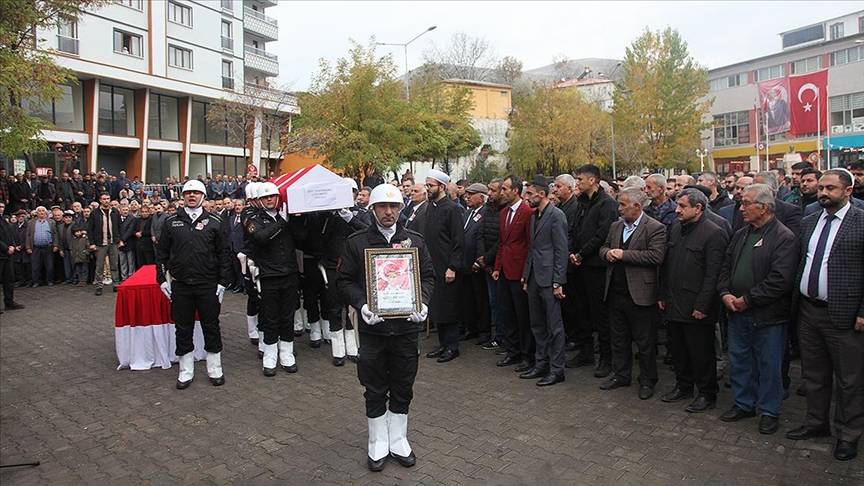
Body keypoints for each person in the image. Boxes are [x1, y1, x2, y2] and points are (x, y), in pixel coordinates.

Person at [337, 183, 435, 472]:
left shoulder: (414, 241)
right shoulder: (356, 242)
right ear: (373, 209)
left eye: (394, 206)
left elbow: (428, 276)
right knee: (374, 385)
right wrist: (362, 305)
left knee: (404, 384)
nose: (389, 211)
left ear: (401, 209)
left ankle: (399, 439)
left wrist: (423, 304)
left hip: (405, 330)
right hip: (373, 330)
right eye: (382, 206)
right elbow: (345, 281)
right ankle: (378, 441)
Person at [786, 170, 864, 462]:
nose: (822, 193)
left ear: (848, 192)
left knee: (849, 379)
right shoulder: (808, 222)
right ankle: (816, 423)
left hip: (844, 314)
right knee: (814, 374)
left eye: (830, 188)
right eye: (820, 188)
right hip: (809, 311)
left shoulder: (860, 223)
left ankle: (848, 433)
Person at [717, 184, 798, 435]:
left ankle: (769, 411)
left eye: (746, 204)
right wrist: (725, 293)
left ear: (763, 207)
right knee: (740, 359)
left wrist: (747, 300)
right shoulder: (742, 233)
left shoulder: (784, 237)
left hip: (767, 316)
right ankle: (744, 403)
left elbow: (780, 280)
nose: (741, 208)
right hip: (737, 311)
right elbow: (726, 266)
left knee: (769, 364)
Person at [156, 179, 230, 389]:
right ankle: (185, 371)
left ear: (203, 197)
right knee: (183, 327)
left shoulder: (215, 221)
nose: (192, 196)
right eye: (188, 193)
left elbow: (224, 254)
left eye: (196, 193)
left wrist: (223, 282)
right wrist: (162, 280)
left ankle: (215, 369)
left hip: (207, 285)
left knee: (211, 326)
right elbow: (161, 254)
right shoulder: (171, 223)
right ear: (183, 197)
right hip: (181, 286)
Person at [659, 189, 728, 412]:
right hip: (674, 300)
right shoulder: (677, 227)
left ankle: (707, 394)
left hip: (696, 306)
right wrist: (662, 294)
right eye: (677, 205)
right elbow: (667, 264)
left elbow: (713, 274)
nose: (677, 210)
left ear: (698, 208)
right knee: (679, 350)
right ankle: (684, 386)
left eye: (682, 206)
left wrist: (702, 305)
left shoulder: (713, 233)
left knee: (701, 353)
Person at [598, 188, 666, 399]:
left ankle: (647, 380)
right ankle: (621, 375)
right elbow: (604, 247)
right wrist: (607, 253)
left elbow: (656, 256)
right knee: (619, 338)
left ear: (637, 206)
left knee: (644, 341)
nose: (619, 209)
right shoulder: (616, 226)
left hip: (640, 294)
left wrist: (624, 255)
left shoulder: (655, 228)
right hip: (616, 293)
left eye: (623, 205)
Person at [245, 182, 304, 376]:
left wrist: (296, 220)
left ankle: (287, 353)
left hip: (289, 274)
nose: (270, 199)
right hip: (269, 275)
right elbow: (260, 237)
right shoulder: (253, 218)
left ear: (278, 198)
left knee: (287, 316)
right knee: (270, 317)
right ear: (260, 201)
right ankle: (270, 355)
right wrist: (282, 222)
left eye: (272, 196)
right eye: (265, 197)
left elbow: (302, 239)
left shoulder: (286, 218)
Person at [567, 164, 618, 376]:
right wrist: (572, 252)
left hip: (595, 266)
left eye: (580, 179)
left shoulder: (607, 204)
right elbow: (574, 229)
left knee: (600, 315)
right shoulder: (581, 203)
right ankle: (585, 351)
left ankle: (607, 359)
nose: (577, 183)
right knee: (581, 311)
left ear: (592, 181)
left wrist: (582, 254)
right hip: (578, 265)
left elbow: (602, 234)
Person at [520, 176, 569, 386]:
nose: (526, 197)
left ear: (541, 194)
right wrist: (525, 276)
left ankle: (557, 370)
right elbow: (533, 249)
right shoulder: (534, 216)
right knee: (537, 324)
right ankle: (541, 364)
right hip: (533, 279)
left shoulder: (556, 215)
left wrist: (558, 281)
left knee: (554, 327)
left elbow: (561, 250)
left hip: (550, 280)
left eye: (530, 194)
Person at [317, 178, 370, 366]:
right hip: (333, 267)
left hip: (354, 269)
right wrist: (332, 216)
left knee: (353, 307)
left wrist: (351, 219)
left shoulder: (362, 213)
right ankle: (338, 349)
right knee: (334, 306)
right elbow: (320, 238)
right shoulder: (329, 215)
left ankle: (353, 346)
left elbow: (369, 232)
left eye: (351, 192)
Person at [421, 169, 465, 363]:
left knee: (449, 307)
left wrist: (453, 267)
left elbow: (458, 241)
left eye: (431, 185)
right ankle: (442, 344)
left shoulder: (452, 208)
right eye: (427, 185)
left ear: (442, 186)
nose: (428, 188)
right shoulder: (431, 207)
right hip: (433, 266)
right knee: (437, 307)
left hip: (447, 267)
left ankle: (452, 346)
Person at [493, 175, 535, 371]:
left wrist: (526, 273)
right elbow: (502, 243)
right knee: (507, 313)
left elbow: (529, 244)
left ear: (516, 191)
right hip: (504, 271)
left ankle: (527, 355)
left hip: (519, 272)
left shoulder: (527, 213)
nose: (502, 192)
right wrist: (497, 267)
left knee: (522, 316)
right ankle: (513, 351)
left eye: (505, 189)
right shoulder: (503, 213)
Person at [459, 183, 490, 344]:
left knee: (481, 299)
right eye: (467, 194)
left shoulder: (486, 213)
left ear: (481, 196)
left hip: (477, 264)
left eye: (471, 194)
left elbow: (483, 238)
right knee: (467, 298)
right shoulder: (467, 213)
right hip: (464, 263)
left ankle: (484, 330)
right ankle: (471, 328)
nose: (467, 197)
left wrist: (479, 260)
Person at [553, 174, 580, 349]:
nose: (554, 189)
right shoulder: (561, 206)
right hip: (562, 260)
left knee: (573, 304)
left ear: (570, 188)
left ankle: (575, 337)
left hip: (570, 262)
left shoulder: (574, 207)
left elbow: (570, 234)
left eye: (559, 186)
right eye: (554, 186)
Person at [476, 178, 503, 349]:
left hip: (498, 264)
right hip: (486, 264)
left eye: (493, 190)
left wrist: (488, 258)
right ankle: (497, 335)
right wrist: (481, 257)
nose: (490, 194)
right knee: (492, 302)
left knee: (501, 303)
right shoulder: (487, 210)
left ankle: (502, 337)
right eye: (489, 190)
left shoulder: (505, 211)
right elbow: (480, 234)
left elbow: (502, 240)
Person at [87, 192, 121, 295]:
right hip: (100, 243)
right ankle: (99, 286)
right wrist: (92, 243)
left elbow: (120, 227)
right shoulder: (94, 213)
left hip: (113, 243)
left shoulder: (115, 212)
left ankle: (116, 284)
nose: (106, 200)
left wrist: (119, 239)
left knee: (114, 264)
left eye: (108, 198)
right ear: (100, 200)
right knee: (99, 266)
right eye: (104, 199)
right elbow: (90, 229)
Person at [25, 206, 59, 287]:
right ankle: (36, 282)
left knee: (49, 265)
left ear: (46, 212)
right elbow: (28, 235)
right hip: (35, 247)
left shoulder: (51, 222)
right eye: (39, 211)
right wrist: (28, 247)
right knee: (35, 266)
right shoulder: (31, 222)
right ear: (36, 213)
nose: (41, 212)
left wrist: (56, 245)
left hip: (48, 247)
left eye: (43, 211)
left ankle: (50, 281)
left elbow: (55, 234)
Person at [1, 212, 24, 311]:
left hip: (8, 255)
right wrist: (6, 248)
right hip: (2, 253)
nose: (1, 209)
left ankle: (9, 302)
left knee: (9, 279)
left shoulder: (4, 220)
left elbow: (10, 236)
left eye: (2, 207)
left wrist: (12, 246)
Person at [117, 204, 137, 281]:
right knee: (122, 262)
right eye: (123, 210)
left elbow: (130, 231)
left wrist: (122, 240)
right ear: (120, 211)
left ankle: (131, 277)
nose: (125, 212)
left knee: (130, 261)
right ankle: (124, 277)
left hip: (129, 243)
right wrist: (119, 241)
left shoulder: (132, 218)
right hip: (119, 244)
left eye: (126, 210)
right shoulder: (117, 218)